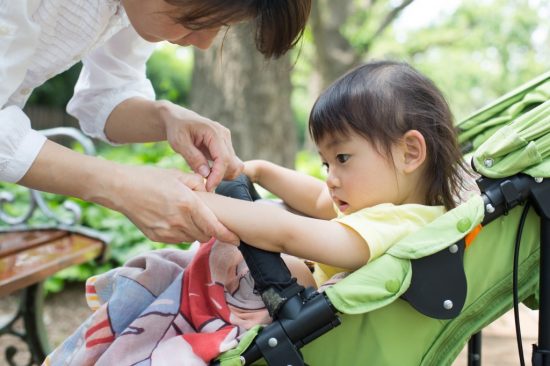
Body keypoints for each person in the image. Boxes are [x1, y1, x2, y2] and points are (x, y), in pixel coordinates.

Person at [0, 0, 311, 244]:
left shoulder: (136, 8)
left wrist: (168, 118)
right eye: (196, 20)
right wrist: (119, 185)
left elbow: (105, 95)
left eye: (221, 25)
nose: (204, 43)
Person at [198, 60, 468, 285]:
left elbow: (287, 233)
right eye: (327, 164)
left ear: (409, 153)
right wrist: (258, 171)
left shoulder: (397, 225)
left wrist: (201, 202)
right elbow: (318, 198)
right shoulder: (378, 204)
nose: (330, 178)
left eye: (342, 158)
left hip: (295, 321)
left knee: (273, 257)